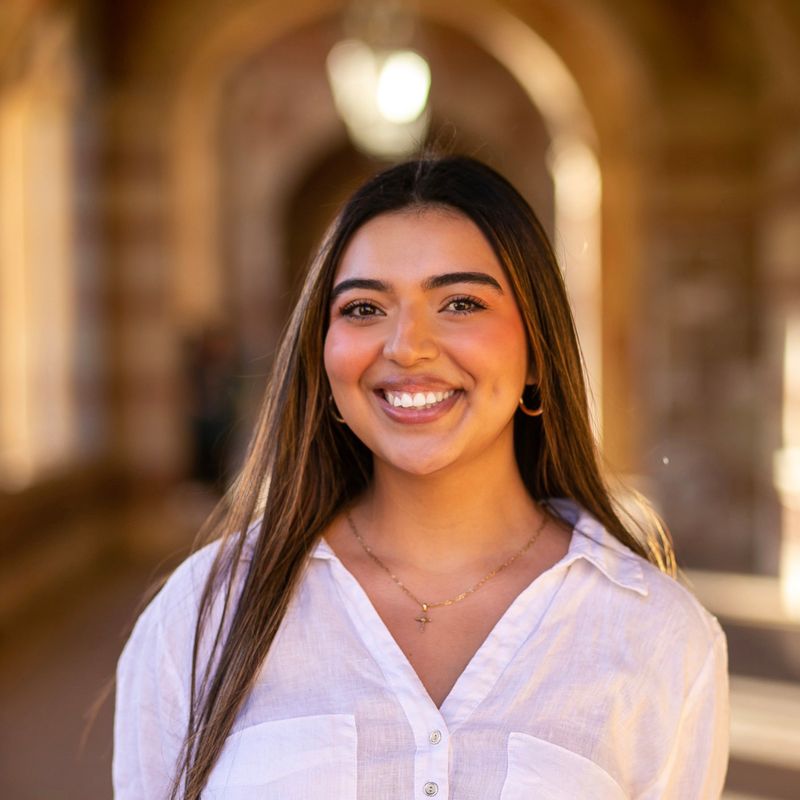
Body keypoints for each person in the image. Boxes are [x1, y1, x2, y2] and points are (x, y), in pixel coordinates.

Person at [113, 155, 729, 799]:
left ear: (537, 354)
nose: (407, 346)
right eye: (363, 308)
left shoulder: (657, 636)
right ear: (321, 359)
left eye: (460, 303)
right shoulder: (201, 615)